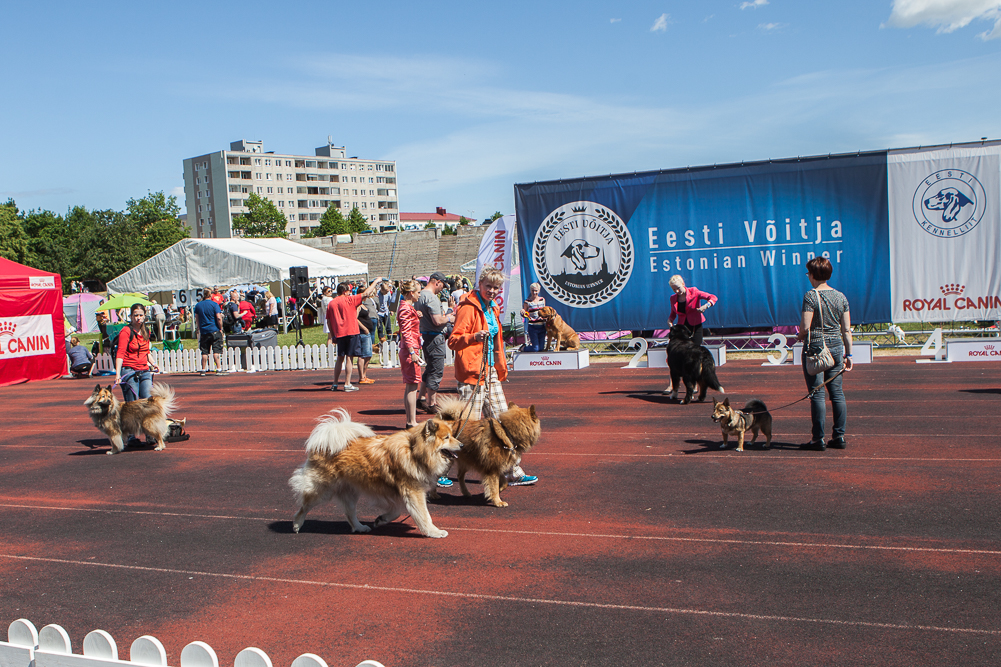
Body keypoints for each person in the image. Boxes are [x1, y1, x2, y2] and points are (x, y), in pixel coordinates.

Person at [449, 266, 538, 487]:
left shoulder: (493, 307)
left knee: (504, 423)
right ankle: (439, 470)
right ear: (479, 284)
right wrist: (473, 337)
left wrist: (499, 368)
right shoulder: (467, 307)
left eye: (496, 287)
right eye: (488, 286)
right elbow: (453, 341)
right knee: (465, 428)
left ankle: (513, 471)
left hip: (490, 372)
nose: (492, 290)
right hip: (472, 374)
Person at [796, 257, 853, 451]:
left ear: (813, 275)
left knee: (817, 394)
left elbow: (805, 327)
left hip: (816, 348)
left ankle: (818, 439)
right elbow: (846, 330)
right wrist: (849, 355)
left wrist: (799, 336)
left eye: (808, 273)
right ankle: (839, 436)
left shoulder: (811, 296)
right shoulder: (841, 297)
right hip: (836, 347)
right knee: (837, 394)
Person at [328, 277, 383, 392]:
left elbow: (328, 321)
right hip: (351, 331)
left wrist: (333, 335)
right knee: (349, 358)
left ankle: (335, 383)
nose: (350, 293)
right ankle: (347, 383)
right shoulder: (350, 300)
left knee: (340, 358)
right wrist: (375, 282)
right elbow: (366, 293)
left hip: (339, 333)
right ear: (345, 291)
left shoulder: (331, 303)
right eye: (349, 291)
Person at [415, 271, 456, 413]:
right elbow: (437, 321)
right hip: (435, 336)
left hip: (426, 335)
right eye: (442, 286)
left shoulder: (420, 295)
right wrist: (450, 318)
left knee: (429, 368)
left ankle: (421, 398)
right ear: (437, 282)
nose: (442, 289)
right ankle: (431, 403)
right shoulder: (431, 298)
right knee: (436, 370)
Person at [114, 303, 158, 401]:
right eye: (136, 315)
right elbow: (120, 354)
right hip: (129, 371)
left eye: (141, 315)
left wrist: (154, 363)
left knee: (148, 401)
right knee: (132, 403)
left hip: (144, 370)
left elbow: (146, 351)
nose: (138, 318)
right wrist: (117, 374)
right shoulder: (126, 331)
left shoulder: (146, 331)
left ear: (144, 316)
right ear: (131, 316)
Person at [396, 280, 424, 428]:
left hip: (410, 348)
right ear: (411, 293)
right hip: (410, 349)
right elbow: (406, 332)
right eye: (418, 292)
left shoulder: (407, 307)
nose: (419, 295)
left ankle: (410, 420)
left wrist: (416, 316)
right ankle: (411, 421)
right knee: (412, 385)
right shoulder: (406, 308)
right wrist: (412, 351)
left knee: (411, 386)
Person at [668, 275, 717, 347]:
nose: (677, 291)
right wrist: (670, 321)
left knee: (696, 346)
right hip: (682, 327)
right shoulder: (673, 298)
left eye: (678, 288)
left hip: (695, 325)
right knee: (683, 347)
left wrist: (705, 306)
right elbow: (673, 313)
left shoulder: (694, 292)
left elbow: (713, 297)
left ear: (683, 284)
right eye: (674, 289)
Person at [194, 290, 224, 375]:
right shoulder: (214, 304)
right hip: (214, 329)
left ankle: (203, 369)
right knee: (216, 350)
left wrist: (199, 328)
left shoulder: (198, 305)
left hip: (204, 331)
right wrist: (220, 327)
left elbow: (197, 318)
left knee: (204, 351)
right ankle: (218, 368)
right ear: (210, 295)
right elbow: (218, 317)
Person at [356, 284, 377, 384]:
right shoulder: (358, 306)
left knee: (368, 354)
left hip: (367, 332)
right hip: (362, 333)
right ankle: (361, 377)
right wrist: (364, 328)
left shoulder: (364, 304)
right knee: (363, 355)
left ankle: (364, 375)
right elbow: (355, 319)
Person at [521, 282, 547, 352]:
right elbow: (524, 312)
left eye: (536, 290)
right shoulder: (527, 301)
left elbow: (544, 311)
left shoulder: (542, 300)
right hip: (533, 327)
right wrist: (522, 312)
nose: (534, 292)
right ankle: (523, 348)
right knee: (535, 349)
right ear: (530, 290)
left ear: (539, 291)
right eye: (533, 290)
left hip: (542, 326)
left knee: (541, 348)